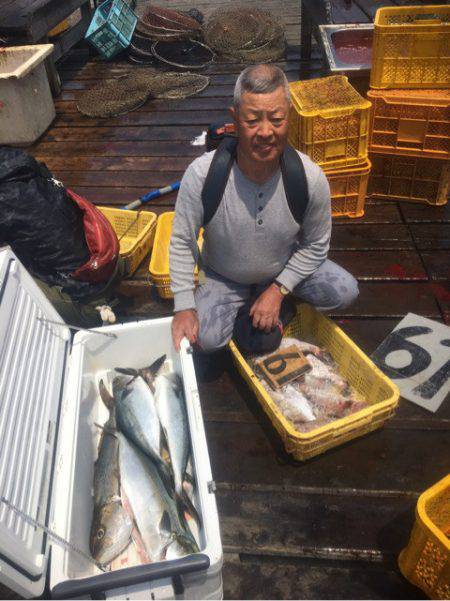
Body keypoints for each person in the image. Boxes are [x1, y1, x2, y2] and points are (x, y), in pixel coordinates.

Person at [169, 64, 359, 352]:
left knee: (345, 291)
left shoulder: (309, 177)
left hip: (281, 269)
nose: (266, 132)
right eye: (253, 120)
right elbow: (183, 241)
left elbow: (317, 244)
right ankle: (256, 309)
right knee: (204, 341)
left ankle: (275, 303)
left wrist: (279, 288)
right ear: (235, 120)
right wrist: (183, 304)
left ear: (289, 118)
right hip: (222, 274)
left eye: (277, 119)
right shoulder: (202, 175)